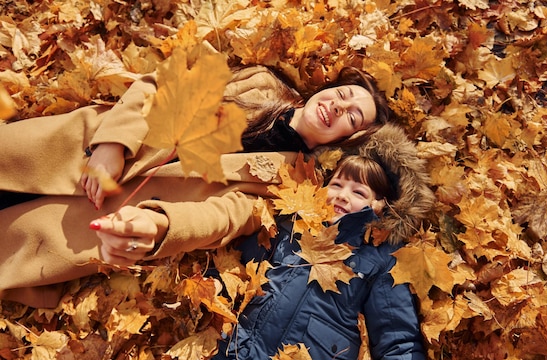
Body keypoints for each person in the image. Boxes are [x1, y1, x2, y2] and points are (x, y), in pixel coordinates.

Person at [94, 124, 437, 360]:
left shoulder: (378, 259)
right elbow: (233, 263)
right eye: (337, 184)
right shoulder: (289, 223)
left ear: (379, 205)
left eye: (359, 191)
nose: (343, 196)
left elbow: (395, 336)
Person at [0, 63, 390, 308]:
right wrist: (112, 144)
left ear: (345, 140)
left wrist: (159, 226)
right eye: (342, 94)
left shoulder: (291, 185)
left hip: (90, 217)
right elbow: (162, 87)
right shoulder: (261, 85)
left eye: (352, 117)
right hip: (70, 149)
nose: (339, 107)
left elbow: (223, 219)